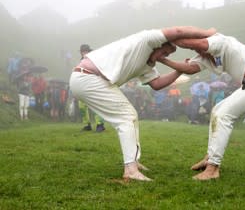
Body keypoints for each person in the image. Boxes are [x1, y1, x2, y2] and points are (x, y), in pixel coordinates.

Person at [69, 26, 216, 182]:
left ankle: (134, 162)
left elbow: (157, 84)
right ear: (158, 44)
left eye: (167, 55)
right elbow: (178, 32)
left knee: (130, 116)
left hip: (91, 80)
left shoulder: (147, 65)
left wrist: (179, 70)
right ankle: (130, 170)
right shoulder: (145, 40)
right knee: (127, 116)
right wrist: (207, 34)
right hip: (87, 77)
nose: (164, 56)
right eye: (164, 52)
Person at [158, 32, 245, 180]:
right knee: (216, 111)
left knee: (223, 115)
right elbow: (188, 68)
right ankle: (209, 158)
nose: (198, 52)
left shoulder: (219, 42)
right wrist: (163, 59)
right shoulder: (205, 57)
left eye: (198, 48)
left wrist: (170, 37)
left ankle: (213, 168)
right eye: (195, 51)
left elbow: (198, 43)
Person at [78, 44, 105, 132]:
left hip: (94, 85)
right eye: (82, 52)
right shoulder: (81, 62)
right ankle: (87, 124)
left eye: (85, 51)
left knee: (95, 105)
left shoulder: (94, 60)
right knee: (81, 106)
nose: (84, 53)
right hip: (83, 86)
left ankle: (100, 124)